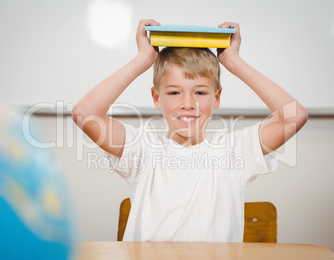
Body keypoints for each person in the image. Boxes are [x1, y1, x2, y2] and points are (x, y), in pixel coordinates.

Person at [72, 19, 308, 242]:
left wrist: (234, 62)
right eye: (174, 92)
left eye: (200, 92)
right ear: (157, 98)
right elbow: (85, 113)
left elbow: (294, 116)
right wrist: (143, 59)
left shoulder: (235, 152)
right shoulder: (141, 149)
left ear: (216, 98)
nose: (188, 103)